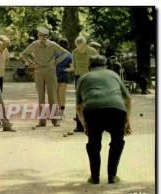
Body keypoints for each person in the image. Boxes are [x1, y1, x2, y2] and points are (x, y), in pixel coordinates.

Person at [76, 55, 132, 184]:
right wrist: (126, 120)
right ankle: (112, 176)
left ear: (89, 67)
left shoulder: (82, 78)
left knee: (94, 143)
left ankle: (94, 177)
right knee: (117, 142)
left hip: (92, 110)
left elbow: (79, 106)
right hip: (116, 110)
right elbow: (128, 99)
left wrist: (85, 125)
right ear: (105, 66)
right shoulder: (113, 75)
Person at [20, 27, 70, 127]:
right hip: (38, 71)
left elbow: (66, 53)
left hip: (50, 71)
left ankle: (55, 120)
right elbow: (23, 54)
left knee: (52, 96)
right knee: (41, 96)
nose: (43, 37)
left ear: (48, 36)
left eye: (45, 36)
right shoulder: (34, 44)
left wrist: (57, 61)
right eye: (41, 35)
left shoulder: (53, 44)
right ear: (38, 35)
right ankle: (42, 121)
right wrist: (31, 63)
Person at [72, 36, 98, 132]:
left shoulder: (92, 52)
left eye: (81, 47)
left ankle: (94, 125)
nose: (79, 49)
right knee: (79, 101)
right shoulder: (74, 52)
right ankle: (79, 126)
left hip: (90, 77)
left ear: (85, 45)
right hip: (79, 78)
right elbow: (74, 65)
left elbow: (97, 65)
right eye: (77, 47)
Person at [55, 38, 74, 119]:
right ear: (67, 45)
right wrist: (64, 69)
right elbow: (72, 68)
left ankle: (57, 112)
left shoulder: (55, 54)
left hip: (55, 75)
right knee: (62, 94)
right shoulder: (69, 54)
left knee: (56, 94)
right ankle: (62, 112)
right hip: (64, 75)